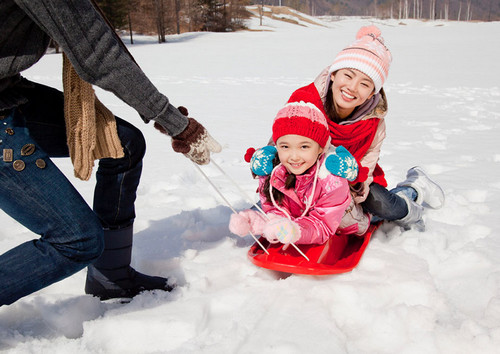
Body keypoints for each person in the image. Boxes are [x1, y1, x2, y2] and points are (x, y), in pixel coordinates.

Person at [0, 0, 221, 306]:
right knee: (77, 239)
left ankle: (111, 276)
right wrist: (173, 121)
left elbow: (92, 31)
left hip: (8, 91)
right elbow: (97, 53)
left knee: (123, 144)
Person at [284, 25, 445, 231]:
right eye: (348, 76)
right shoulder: (305, 102)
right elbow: (282, 142)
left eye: (365, 84)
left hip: (351, 184)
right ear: (334, 74)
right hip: (302, 177)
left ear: (371, 93)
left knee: (379, 205)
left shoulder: (373, 123)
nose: (351, 88)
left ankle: (413, 190)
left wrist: (354, 181)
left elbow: (368, 159)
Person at [229, 98, 370, 246]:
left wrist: (296, 231)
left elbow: (323, 224)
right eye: (285, 147)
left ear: (320, 148)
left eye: (304, 147)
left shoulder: (330, 178)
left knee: (371, 216)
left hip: (344, 221)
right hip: (301, 220)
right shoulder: (274, 172)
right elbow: (275, 209)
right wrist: (258, 222)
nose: (294, 156)